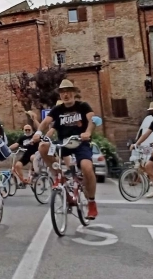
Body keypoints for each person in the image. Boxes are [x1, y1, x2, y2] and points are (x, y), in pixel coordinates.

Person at [34, 79, 98, 219]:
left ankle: (92, 202)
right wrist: (39, 133)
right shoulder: (58, 110)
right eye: (62, 92)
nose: (65, 94)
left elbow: (92, 120)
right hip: (63, 144)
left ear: (74, 93)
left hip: (80, 142)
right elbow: (46, 123)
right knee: (43, 147)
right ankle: (58, 176)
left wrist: (88, 132)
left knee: (87, 167)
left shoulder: (83, 106)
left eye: (68, 91)